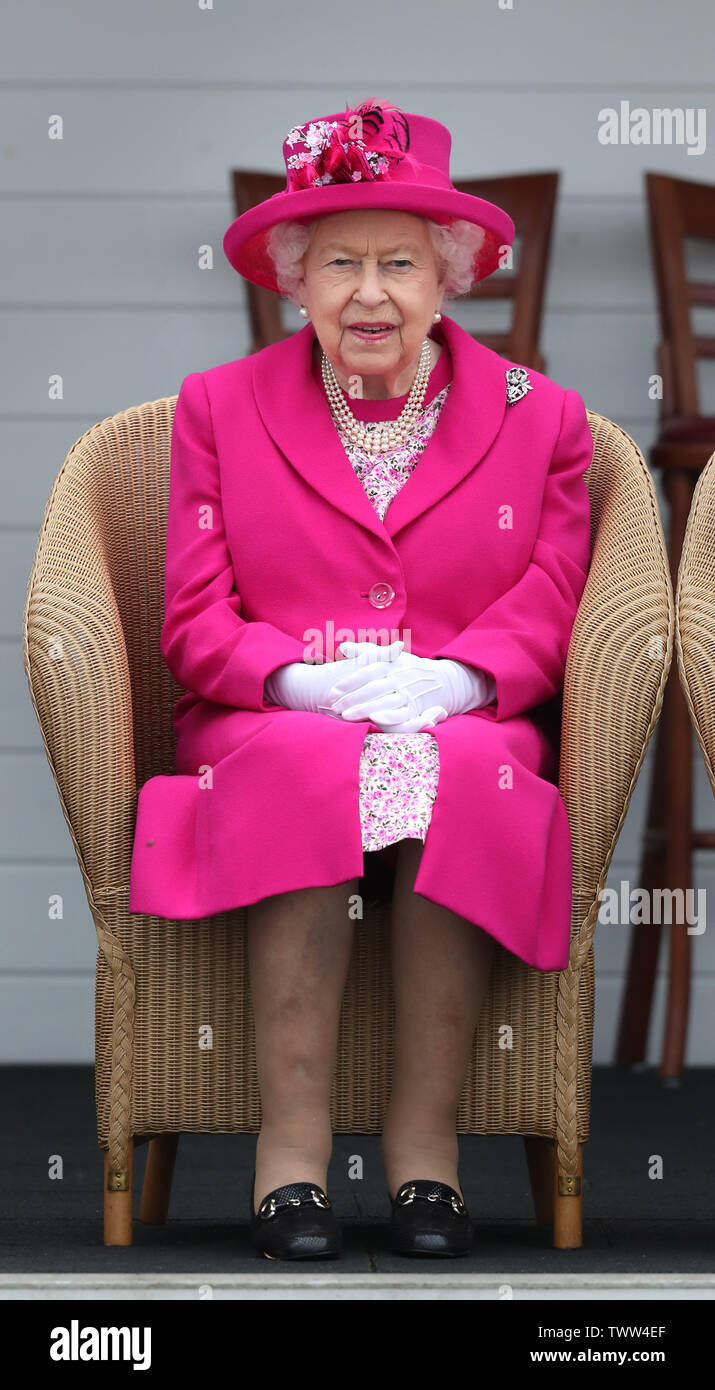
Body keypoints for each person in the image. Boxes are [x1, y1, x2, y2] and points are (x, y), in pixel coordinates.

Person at [129, 98, 593, 1261]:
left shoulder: (546, 421)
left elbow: (551, 592)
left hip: (465, 714)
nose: (369, 293)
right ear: (295, 277)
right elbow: (192, 617)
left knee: (472, 769)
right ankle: (289, 1156)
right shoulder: (217, 409)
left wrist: (453, 683)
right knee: (302, 760)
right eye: (338, 262)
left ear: (451, 276)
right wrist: (300, 683)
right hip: (271, 718)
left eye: (399, 262)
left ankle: (424, 1156)